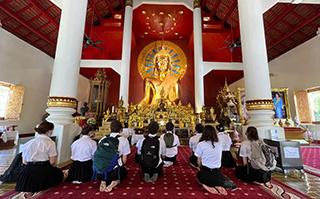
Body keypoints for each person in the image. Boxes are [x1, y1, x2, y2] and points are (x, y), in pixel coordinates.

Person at [15, 121, 63, 196]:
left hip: (27, 171)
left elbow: (24, 162)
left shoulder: (28, 143)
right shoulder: (50, 143)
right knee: (59, 173)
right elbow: (52, 162)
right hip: (42, 169)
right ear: (49, 131)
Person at [97, 120, 130, 192]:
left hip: (101, 171)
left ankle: (103, 181)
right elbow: (124, 159)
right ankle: (114, 182)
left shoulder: (102, 139)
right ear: (121, 129)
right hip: (115, 173)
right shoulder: (124, 140)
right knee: (124, 171)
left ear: (110, 129)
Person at [195, 125, 227, 195]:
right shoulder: (219, 143)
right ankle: (217, 185)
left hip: (206, 173)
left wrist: (199, 167)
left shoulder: (201, 144)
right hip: (218, 174)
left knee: (198, 175)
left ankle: (206, 186)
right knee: (214, 177)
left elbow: (198, 161)